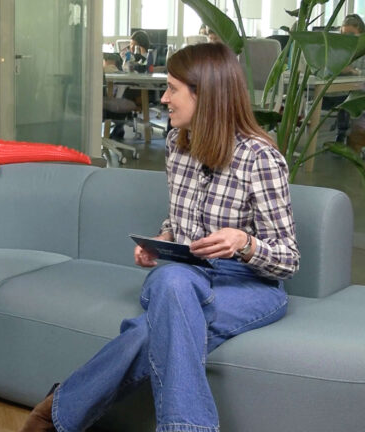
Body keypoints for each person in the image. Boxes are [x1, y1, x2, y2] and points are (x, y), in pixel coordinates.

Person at [21, 42, 300, 432]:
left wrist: (244, 243)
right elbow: (178, 217)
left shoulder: (260, 159)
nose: (163, 99)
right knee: (172, 279)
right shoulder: (176, 145)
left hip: (250, 286)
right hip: (185, 278)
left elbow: (288, 260)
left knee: (149, 330)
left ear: (205, 93)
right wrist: (162, 238)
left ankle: (55, 412)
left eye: (172, 89)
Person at [324, 13, 365, 143]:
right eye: (344, 34)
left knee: (347, 102)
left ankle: (342, 135)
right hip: (331, 91)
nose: (347, 38)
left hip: (356, 91)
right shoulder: (336, 48)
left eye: (352, 35)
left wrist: (354, 71)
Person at [111, 30, 151, 140]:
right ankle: (119, 126)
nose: (131, 47)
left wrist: (141, 55)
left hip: (138, 88)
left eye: (134, 45)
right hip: (125, 85)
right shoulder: (129, 55)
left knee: (123, 97)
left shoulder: (147, 57)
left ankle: (118, 128)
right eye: (131, 44)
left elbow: (145, 69)